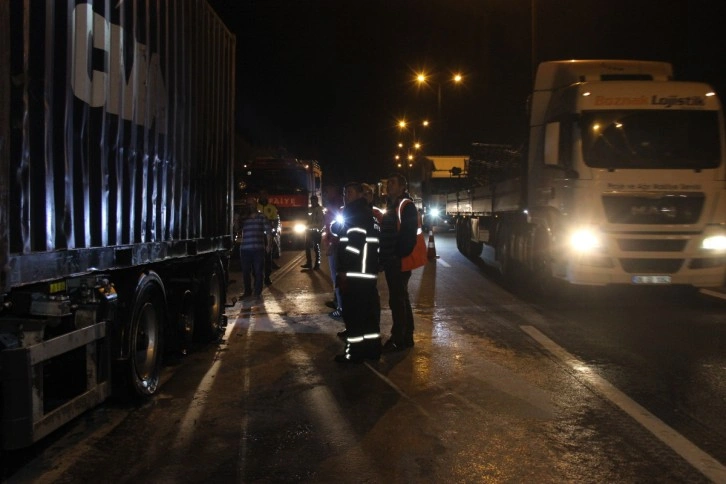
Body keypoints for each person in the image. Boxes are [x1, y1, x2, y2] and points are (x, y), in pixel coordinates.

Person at [330, 182, 381, 363]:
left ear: (360, 194)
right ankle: (372, 350)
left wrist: (344, 270)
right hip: (367, 273)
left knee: (354, 316)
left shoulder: (356, 214)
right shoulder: (368, 214)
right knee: (369, 315)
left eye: (350, 192)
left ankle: (354, 354)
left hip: (355, 273)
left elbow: (353, 246)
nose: (346, 195)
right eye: (345, 192)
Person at [379, 173, 418, 352]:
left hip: (397, 260)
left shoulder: (406, 206)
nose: (388, 186)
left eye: (392, 183)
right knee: (401, 297)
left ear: (403, 187)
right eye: (388, 183)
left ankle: (397, 338)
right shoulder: (392, 205)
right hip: (391, 259)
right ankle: (407, 335)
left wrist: (397, 256)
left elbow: (408, 236)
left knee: (397, 299)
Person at [239, 196, 272, 300]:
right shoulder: (243, 218)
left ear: (255, 204)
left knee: (258, 271)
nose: (250, 206)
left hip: (258, 249)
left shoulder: (262, 217)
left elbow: (268, 232)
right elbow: (236, 229)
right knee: (245, 272)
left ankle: (257, 292)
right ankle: (247, 292)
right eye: (248, 204)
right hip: (245, 249)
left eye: (252, 204)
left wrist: (268, 245)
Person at [322, 185, 344, 317]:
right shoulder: (332, 204)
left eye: (329, 190)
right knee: (336, 278)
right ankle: (338, 303)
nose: (326, 192)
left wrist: (332, 244)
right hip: (333, 243)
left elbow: (339, 227)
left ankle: (341, 308)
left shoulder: (338, 205)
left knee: (337, 278)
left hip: (335, 245)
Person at [257, 190, 280, 284]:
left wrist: (274, 231)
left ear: (267, 196)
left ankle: (267, 277)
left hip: (267, 235)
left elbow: (276, 220)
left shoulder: (272, 208)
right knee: (258, 257)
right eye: (262, 195)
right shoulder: (256, 207)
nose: (263, 197)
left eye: (265, 195)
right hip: (257, 235)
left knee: (268, 256)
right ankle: (258, 277)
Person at [301, 195, 324, 270]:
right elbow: (307, 219)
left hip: (316, 231)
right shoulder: (310, 209)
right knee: (307, 247)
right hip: (308, 231)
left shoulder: (320, 209)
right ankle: (309, 263)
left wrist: (318, 229)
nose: (312, 202)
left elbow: (321, 221)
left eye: (313, 201)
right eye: (311, 201)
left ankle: (317, 264)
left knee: (316, 248)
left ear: (316, 201)